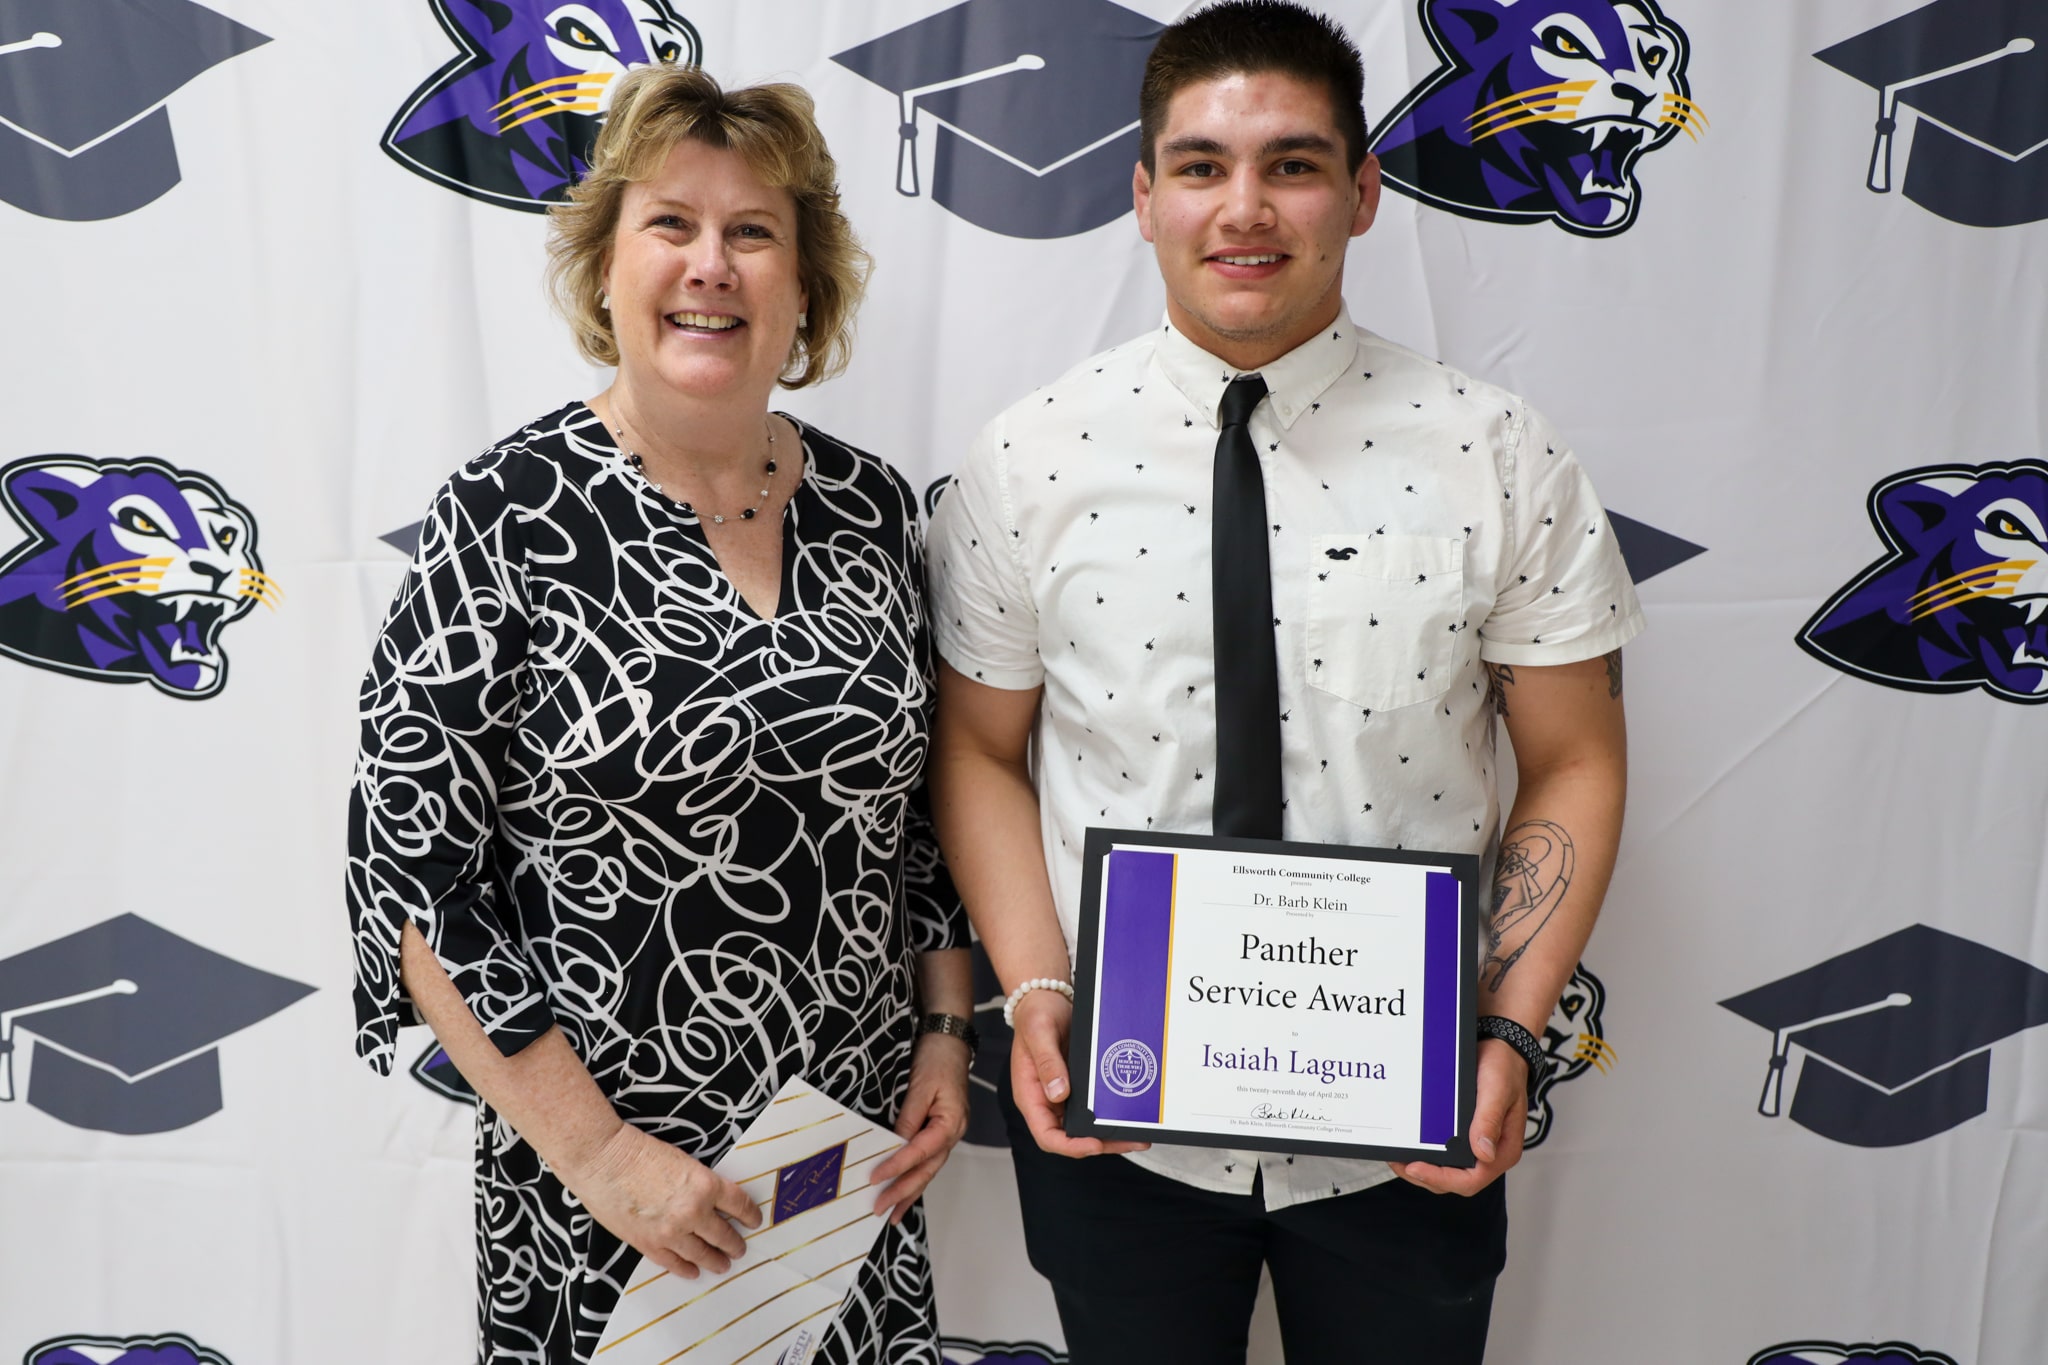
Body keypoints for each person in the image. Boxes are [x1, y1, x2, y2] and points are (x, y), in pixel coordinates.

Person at [925, 3, 1640, 1362]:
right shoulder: (1029, 461)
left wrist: (1505, 1029)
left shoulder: (1495, 453)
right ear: (1144, 197)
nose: (1244, 207)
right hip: (1115, 1108)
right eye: (1200, 166)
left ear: (1362, 193)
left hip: (1413, 1115)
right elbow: (978, 748)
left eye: (1293, 165)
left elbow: (1575, 757)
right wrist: (1034, 989)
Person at [346, 65, 971, 1365]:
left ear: (806, 285)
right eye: (671, 225)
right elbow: (416, 873)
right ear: (605, 267)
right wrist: (601, 1158)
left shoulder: (872, 509)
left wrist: (947, 1031)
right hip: (611, 1206)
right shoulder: (506, 516)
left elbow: (922, 818)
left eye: (754, 233)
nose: (711, 266)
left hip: (839, 1182)